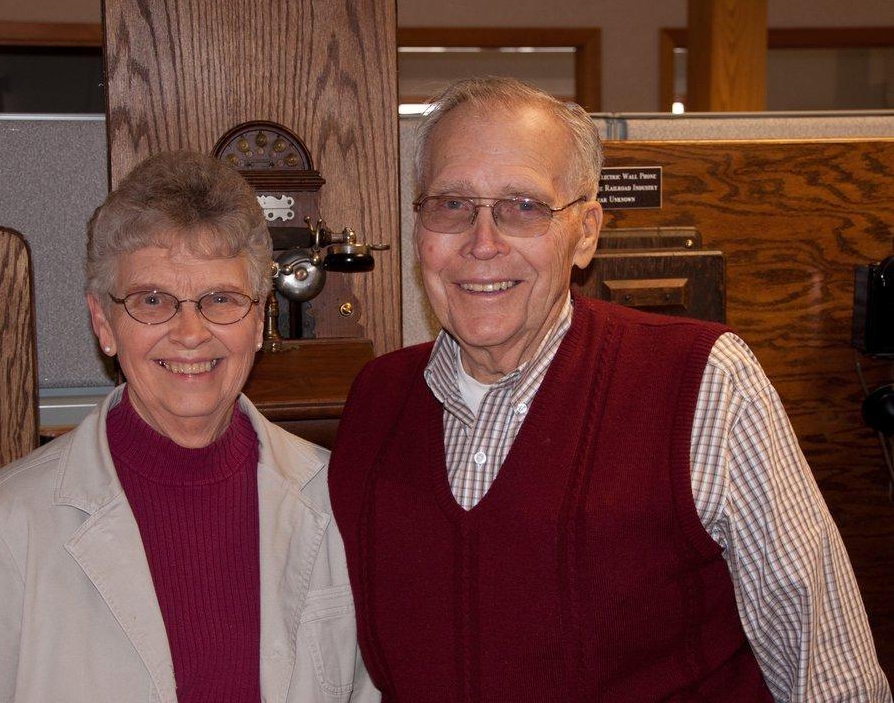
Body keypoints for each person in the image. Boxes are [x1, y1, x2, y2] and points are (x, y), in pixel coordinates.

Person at [328, 77, 891, 702]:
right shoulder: (375, 404)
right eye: (452, 205)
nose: (482, 243)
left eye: (524, 206)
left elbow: (828, 672)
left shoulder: (703, 381)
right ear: (419, 230)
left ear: (587, 232)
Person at [0, 151, 378, 702]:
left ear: (259, 322)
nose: (189, 333)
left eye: (221, 299)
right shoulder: (10, 523)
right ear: (103, 323)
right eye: (152, 300)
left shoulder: (333, 499)